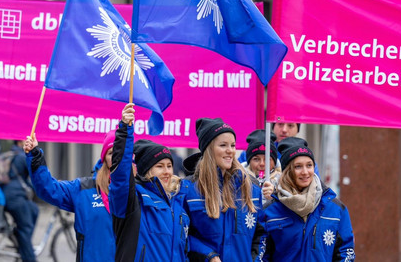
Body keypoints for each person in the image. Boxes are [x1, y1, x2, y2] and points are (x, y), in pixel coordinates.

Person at [109, 103, 190, 262]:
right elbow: (120, 177)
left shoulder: (178, 204)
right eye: (159, 166)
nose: (167, 171)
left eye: (169, 166)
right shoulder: (133, 201)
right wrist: (125, 131)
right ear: (145, 170)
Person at [24, 132, 116, 262]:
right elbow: (49, 189)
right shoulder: (84, 188)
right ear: (104, 158)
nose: (117, 157)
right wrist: (35, 156)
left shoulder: (138, 190)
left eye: (121, 151)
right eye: (111, 153)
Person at [185, 118, 266, 261]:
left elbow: (261, 234)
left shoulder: (251, 188)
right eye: (223, 145)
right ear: (209, 149)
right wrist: (208, 255)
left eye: (233, 145)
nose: (230, 151)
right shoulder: (188, 190)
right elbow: (183, 235)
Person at [262, 137, 355, 261]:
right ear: (288, 171)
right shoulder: (270, 211)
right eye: (298, 167)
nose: (305, 172)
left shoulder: (335, 209)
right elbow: (262, 255)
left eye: (309, 165)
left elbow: (345, 251)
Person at [0, 140, 39, 262]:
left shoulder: (11, 154)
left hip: (9, 195)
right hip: (16, 197)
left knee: (34, 209)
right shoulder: (21, 156)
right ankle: (28, 257)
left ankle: (21, 239)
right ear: (21, 142)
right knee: (25, 228)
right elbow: (35, 175)